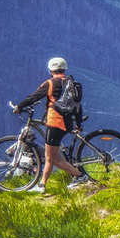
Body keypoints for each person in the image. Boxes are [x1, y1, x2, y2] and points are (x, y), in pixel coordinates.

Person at [14, 57, 90, 192]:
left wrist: (19, 107)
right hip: (67, 122)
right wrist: (78, 124)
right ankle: (42, 185)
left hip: (55, 122)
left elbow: (33, 97)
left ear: (51, 70)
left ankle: (80, 176)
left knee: (52, 158)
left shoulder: (50, 83)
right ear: (64, 69)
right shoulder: (71, 83)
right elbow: (77, 105)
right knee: (51, 156)